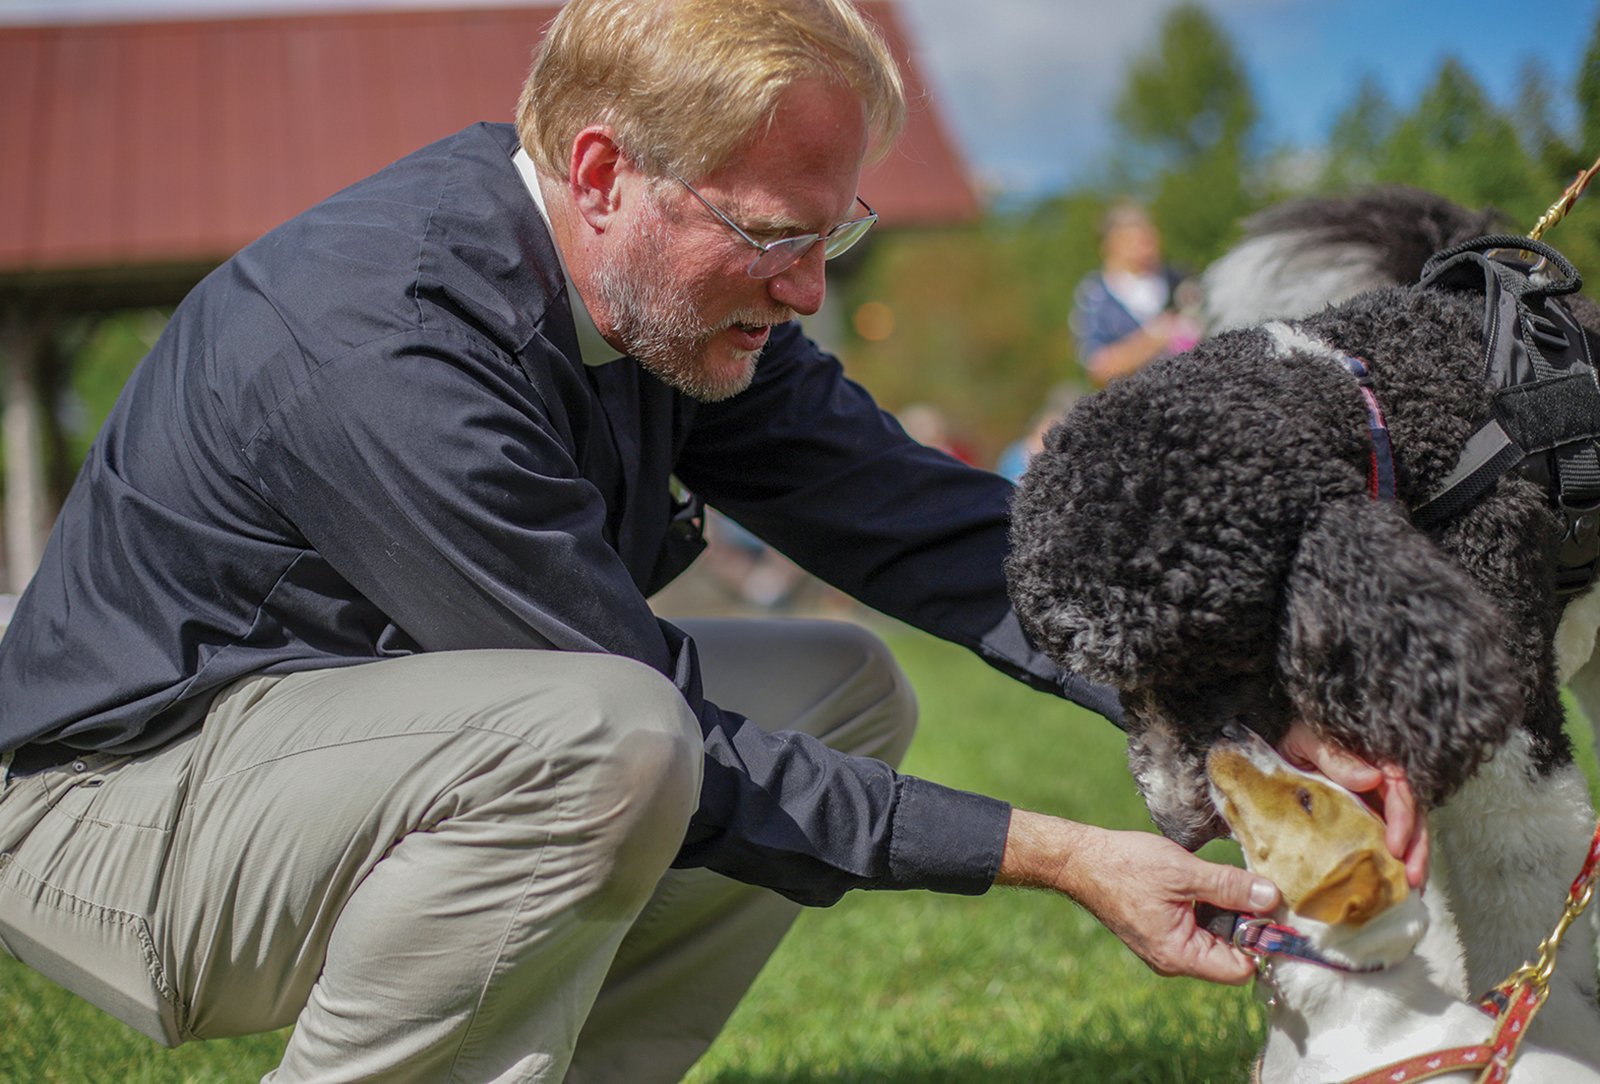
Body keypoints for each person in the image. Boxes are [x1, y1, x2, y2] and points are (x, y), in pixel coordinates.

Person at [0, 2, 1422, 1081]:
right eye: (769, 236)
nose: (807, 290)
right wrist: (1061, 854)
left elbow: (936, 531)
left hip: (319, 747)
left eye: (834, 237)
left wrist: (1246, 713)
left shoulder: (671, 306)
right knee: (611, 734)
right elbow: (657, 728)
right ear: (604, 170)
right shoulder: (382, 341)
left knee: (837, 688)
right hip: (109, 808)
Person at [1069, 201, 1200, 387]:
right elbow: (1098, 369)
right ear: (1109, 245)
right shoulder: (1094, 296)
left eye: (1149, 234)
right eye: (1132, 237)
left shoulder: (1181, 278)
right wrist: (1153, 340)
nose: (1146, 243)